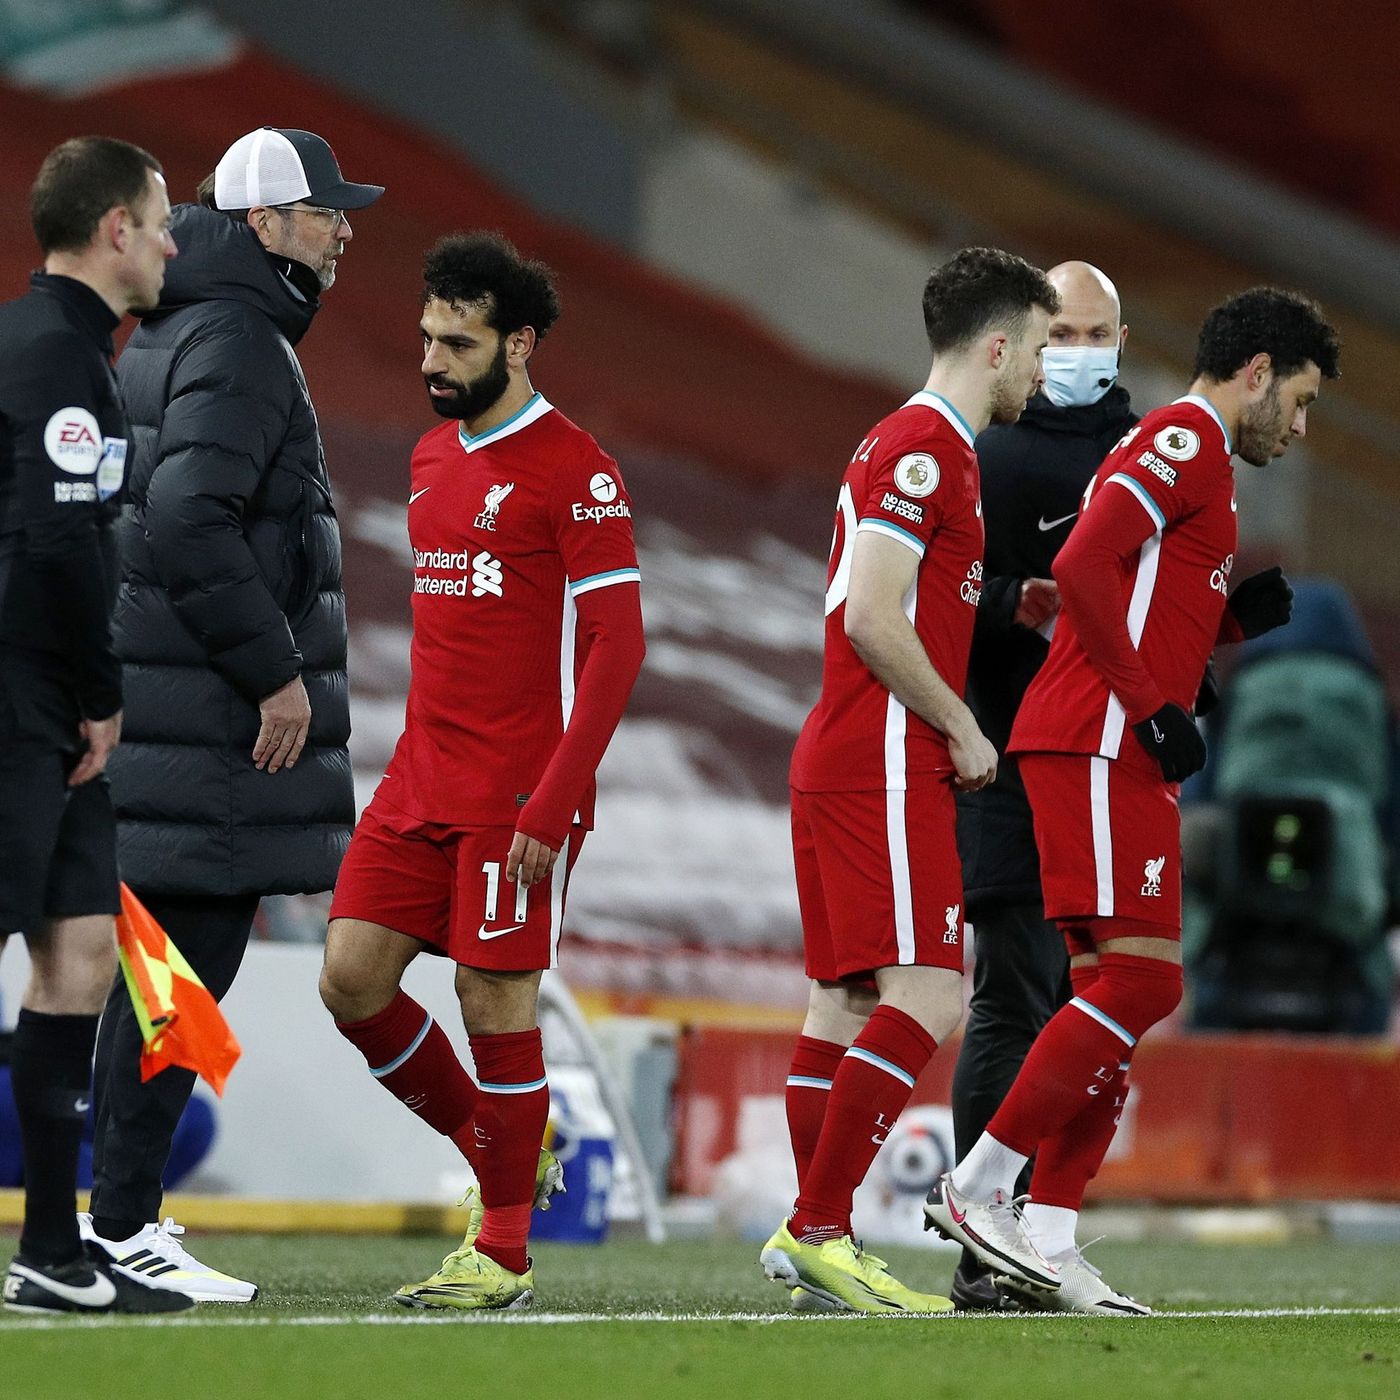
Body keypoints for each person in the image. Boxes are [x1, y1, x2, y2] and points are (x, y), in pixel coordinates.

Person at [926, 287, 1339, 1312]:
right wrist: (1151, 708)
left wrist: (1224, 627)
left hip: (1101, 742)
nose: (1297, 428)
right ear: (1255, 372)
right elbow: (1079, 563)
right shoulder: (1183, 440)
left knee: (1113, 992)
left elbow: (1135, 596)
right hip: (1100, 741)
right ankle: (980, 1186)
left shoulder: (1194, 458)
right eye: (1297, 401)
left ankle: (1049, 1234)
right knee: (1143, 984)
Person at [319, 232, 646, 1312]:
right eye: (426, 338)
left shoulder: (577, 470)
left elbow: (617, 646)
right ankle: (499, 1141)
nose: (432, 361)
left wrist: (553, 802)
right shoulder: (430, 458)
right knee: (350, 979)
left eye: (456, 344)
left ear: (520, 343)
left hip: (517, 794)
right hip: (420, 778)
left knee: (490, 996)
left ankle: (502, 1250)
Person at [82, 128, 383, 1302]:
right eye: (323, 210)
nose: (343, 229)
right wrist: (273, 671)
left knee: (163, 971)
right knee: (180, 968)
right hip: (204, 718)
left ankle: (111, 1221)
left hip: (164, 701)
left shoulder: (175, 323)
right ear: (264, 223)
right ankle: (118, 1226)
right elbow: (188, 518)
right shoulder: (241, 338)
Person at [758, 247, 1060, 1314]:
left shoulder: (912, 443)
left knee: (842, 1002)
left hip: (847, 752)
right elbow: (871, 615)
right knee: (930, 991)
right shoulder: (927, 448)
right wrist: (961, 725)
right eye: (1039, 347)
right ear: (996, 346)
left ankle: (816, 1243)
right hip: (885, 754)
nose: (1043, 369)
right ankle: (819, 1226)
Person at [0, 136, 189, 1315]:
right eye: (161, 222)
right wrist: (99, 690)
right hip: (23, 692)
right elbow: (58, 544)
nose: (171, 245)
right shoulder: (54, 357)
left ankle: (51, 1248)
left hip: (46, 694)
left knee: (76, 952)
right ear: (115, 228)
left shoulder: (67, 350)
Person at [948, 261, 1136, 1310]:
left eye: (1093, 333)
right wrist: (1008, 601)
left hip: (1113, 765)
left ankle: (1044, 1235)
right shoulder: (987, 450)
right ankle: (986, 1252)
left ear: (1123, 339)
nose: (1076, 352)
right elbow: (933, 594)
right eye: (1058, 333)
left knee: (1092, 1006)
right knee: (1015, 996)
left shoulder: (1145, 449)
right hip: (1009, 760)